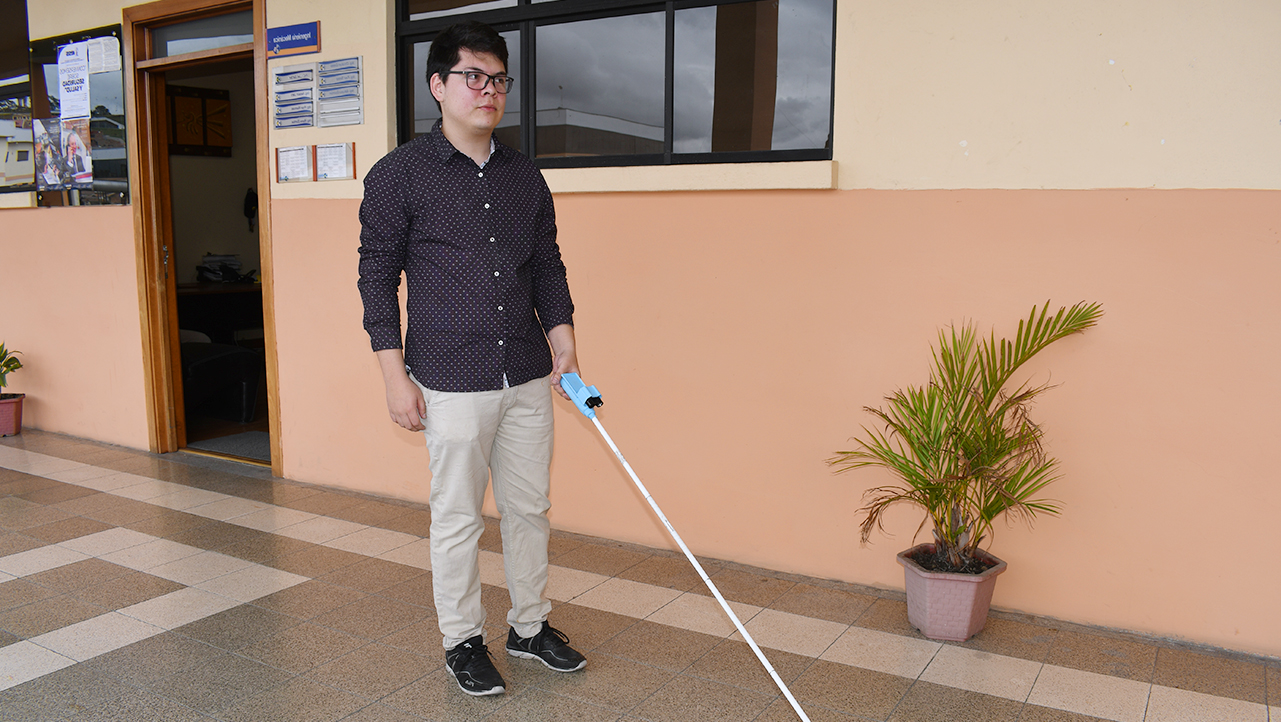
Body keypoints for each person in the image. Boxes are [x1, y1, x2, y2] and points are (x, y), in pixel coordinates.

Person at [357, 20, 586, 697]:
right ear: (438, 85)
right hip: (449, 379)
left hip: (524, 368)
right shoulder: (399, 175)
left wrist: (565, 342)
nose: (487, 90)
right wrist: (393, 377)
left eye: (498, 79)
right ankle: (462, 641)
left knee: (528, 509)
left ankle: (529, 626)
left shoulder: (523, 175)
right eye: (472, 77)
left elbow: (546, 264)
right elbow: (376, 279)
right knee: (457, 519)